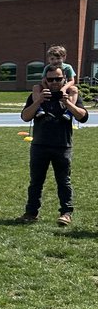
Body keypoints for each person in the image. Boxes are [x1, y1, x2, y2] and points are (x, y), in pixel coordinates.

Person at [20, 63, 88, 225]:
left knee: (64, 181)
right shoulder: (38, 95)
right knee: (36, 181)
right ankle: (31, 212)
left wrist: (69, 104)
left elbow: (83, 117)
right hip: (39, 145)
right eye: (51, 79)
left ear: (64, 79)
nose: (55, 82)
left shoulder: (70, 95)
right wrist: (38, 102)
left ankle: (66, 213)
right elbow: (25, 117)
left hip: (62, 146)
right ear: (45, 80)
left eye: (58, 79)